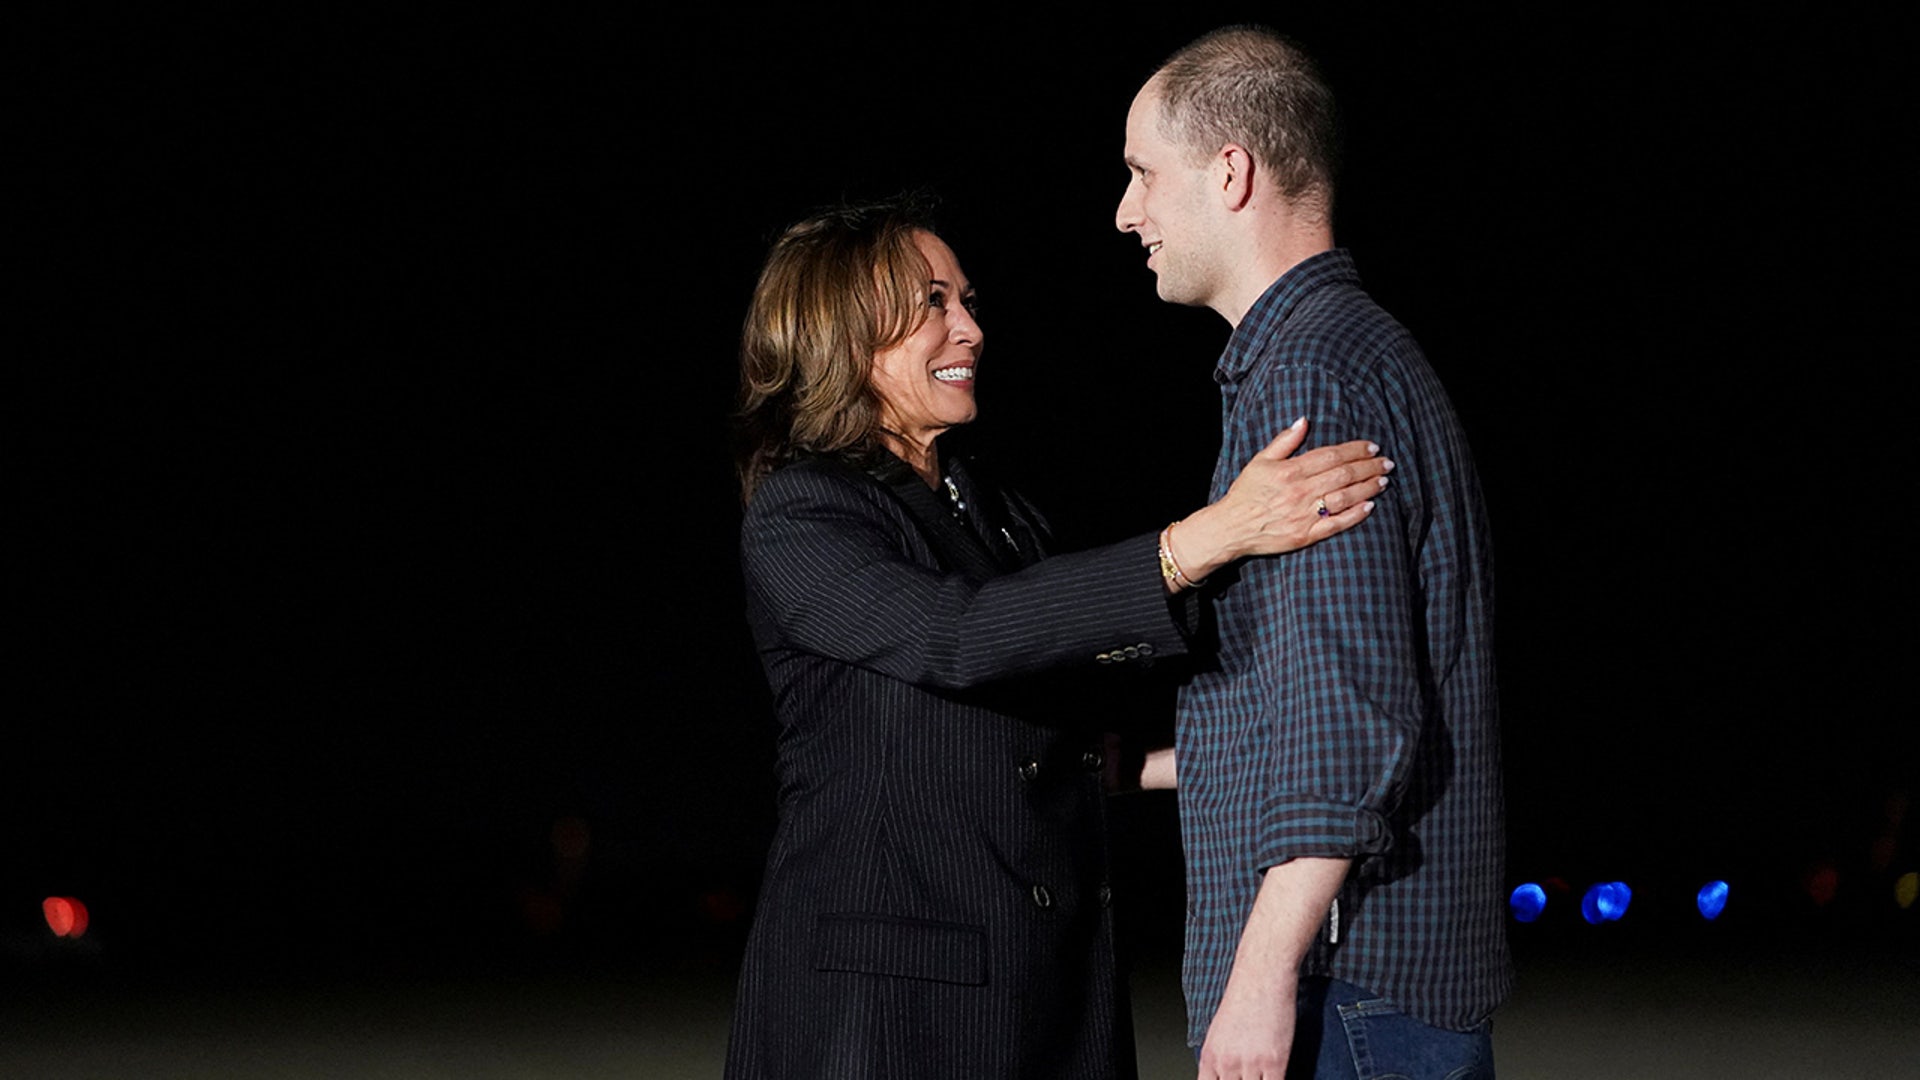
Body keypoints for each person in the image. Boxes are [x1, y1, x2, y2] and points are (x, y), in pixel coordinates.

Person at [723, 200, 1392, 1080]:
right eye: (932, 302)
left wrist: (1220, 747)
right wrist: (1211, 534)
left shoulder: (997, 509)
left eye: (967, 299)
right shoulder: (802, 513)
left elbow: (1055, 705)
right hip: (888, 1014)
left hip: (1052, 990)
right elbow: (957, 637)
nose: (970, 327)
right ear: (845, 334)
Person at [1114, 27, 1509, 1080]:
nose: (1127, 213)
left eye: (1143, 173)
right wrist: (1131, 771)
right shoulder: (1343, 352)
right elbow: (1303, 695)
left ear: (1230, 171)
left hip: (1344, 982)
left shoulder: (1312, 378)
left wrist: (1260, 973)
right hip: (1374, 983)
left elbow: (1349, 704)